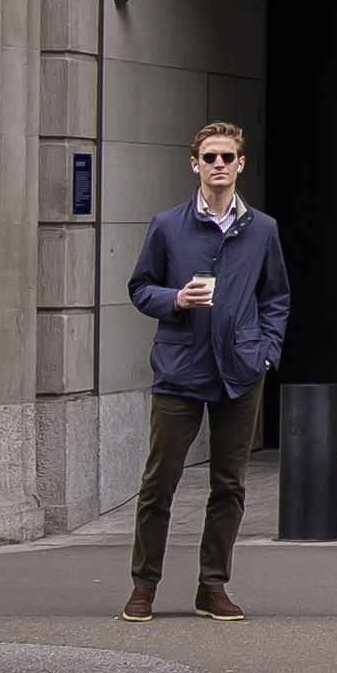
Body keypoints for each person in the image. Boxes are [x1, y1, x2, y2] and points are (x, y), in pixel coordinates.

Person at [122, 120, 292, 624]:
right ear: (194, 164)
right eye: (210, 157)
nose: (219, 165)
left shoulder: (262, 228)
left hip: (241, 370)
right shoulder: (167, 225)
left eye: (227, 157)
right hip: (180, 369)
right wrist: (174, 298)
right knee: (159, 483)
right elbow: (139, 287)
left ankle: (212, 586)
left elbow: (276, 297)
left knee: (229, 484)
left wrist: (266, 352)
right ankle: (143, 585)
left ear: (241, 165)